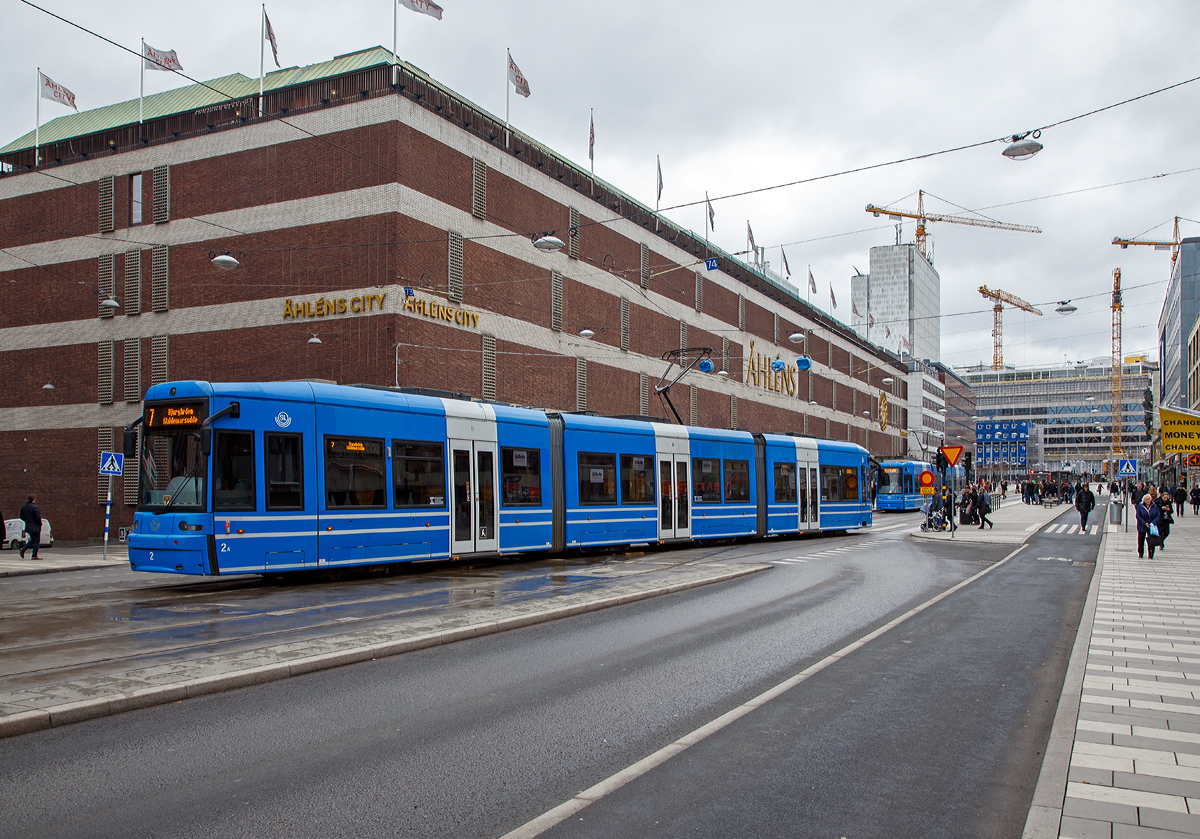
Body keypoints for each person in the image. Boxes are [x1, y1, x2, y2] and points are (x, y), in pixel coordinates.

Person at [1136, 489, 1162, 559]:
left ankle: (1151, 554)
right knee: (1141, 540)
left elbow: (1158, 515)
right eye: (1146, 499)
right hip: (1142, 526)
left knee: (1151, 541)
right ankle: (1140, 553)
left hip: (1151, 526)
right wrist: (1144, 523)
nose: (1148, 501)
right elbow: (1138, 516)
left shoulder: (1154, 506)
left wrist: (1153, 523)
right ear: (1144, 500)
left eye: (1149, 499)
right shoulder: (1140, 506)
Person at [19, 495, 41, 560]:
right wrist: (39, 524)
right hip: (35, 527)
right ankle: (34, 555)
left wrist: (27, 521)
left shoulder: (23, 507)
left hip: (28, 526)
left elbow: (21, 517)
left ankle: (24, 549)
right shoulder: (34, 507)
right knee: (36, 541)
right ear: (33, 500)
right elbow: (38, 517)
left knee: (33, 540)